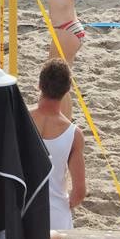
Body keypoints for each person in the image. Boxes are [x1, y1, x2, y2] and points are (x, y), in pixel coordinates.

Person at [29, 58, 87, 229]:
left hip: (20, 212)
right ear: (67, 90)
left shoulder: (18, 119)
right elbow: (79, 192)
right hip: (55, 216)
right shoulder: (74, 134)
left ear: (39, 85)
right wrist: (63, 205)